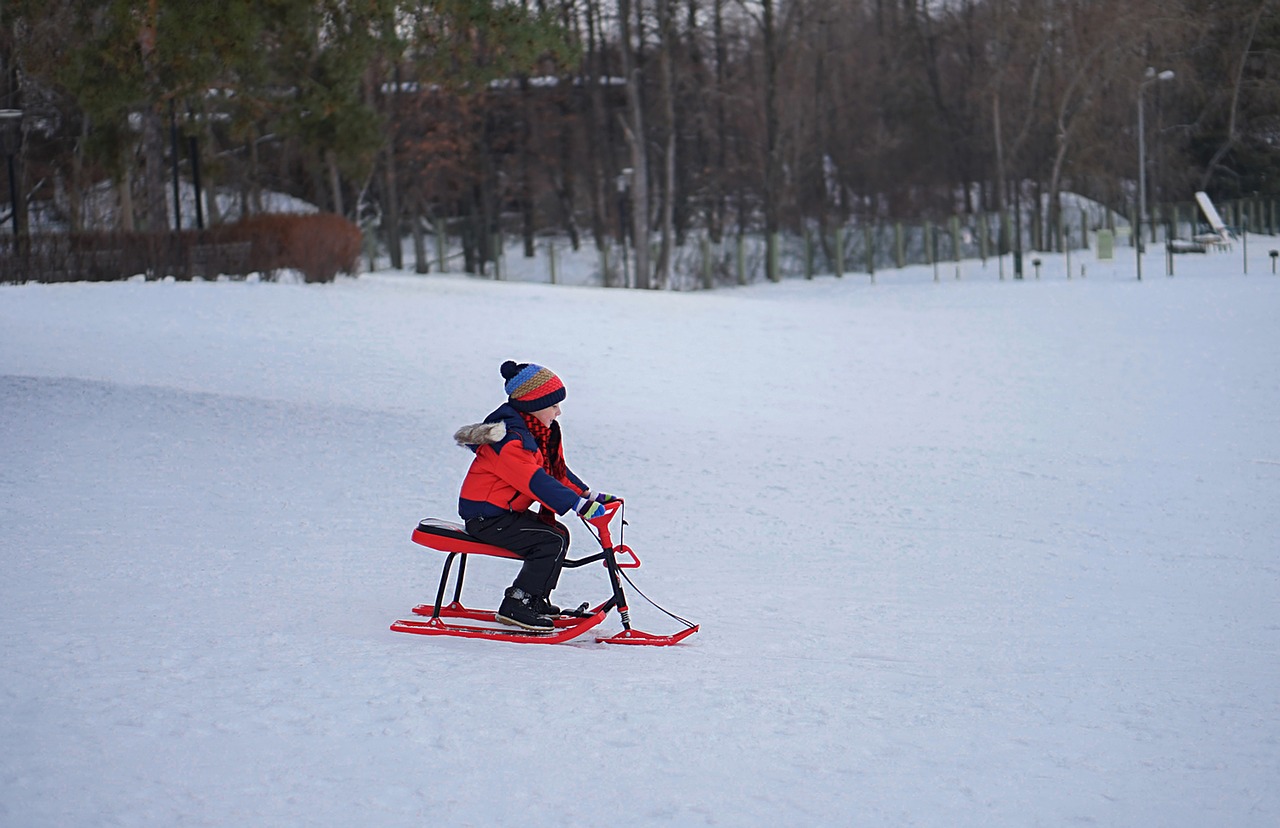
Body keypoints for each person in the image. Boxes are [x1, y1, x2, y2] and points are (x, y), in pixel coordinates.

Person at [453, 360, 619, 632]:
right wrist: (577, 505)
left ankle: (536, 598)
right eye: (553, 405)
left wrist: (590, 495)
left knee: (558, 535)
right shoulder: (509, 441)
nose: (558, 412)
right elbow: (535, 481)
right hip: (485, 517)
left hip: (503, 513)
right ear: (533, 404)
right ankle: (518, 604)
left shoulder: (536, 433)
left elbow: (554, 472)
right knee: (548, 541)